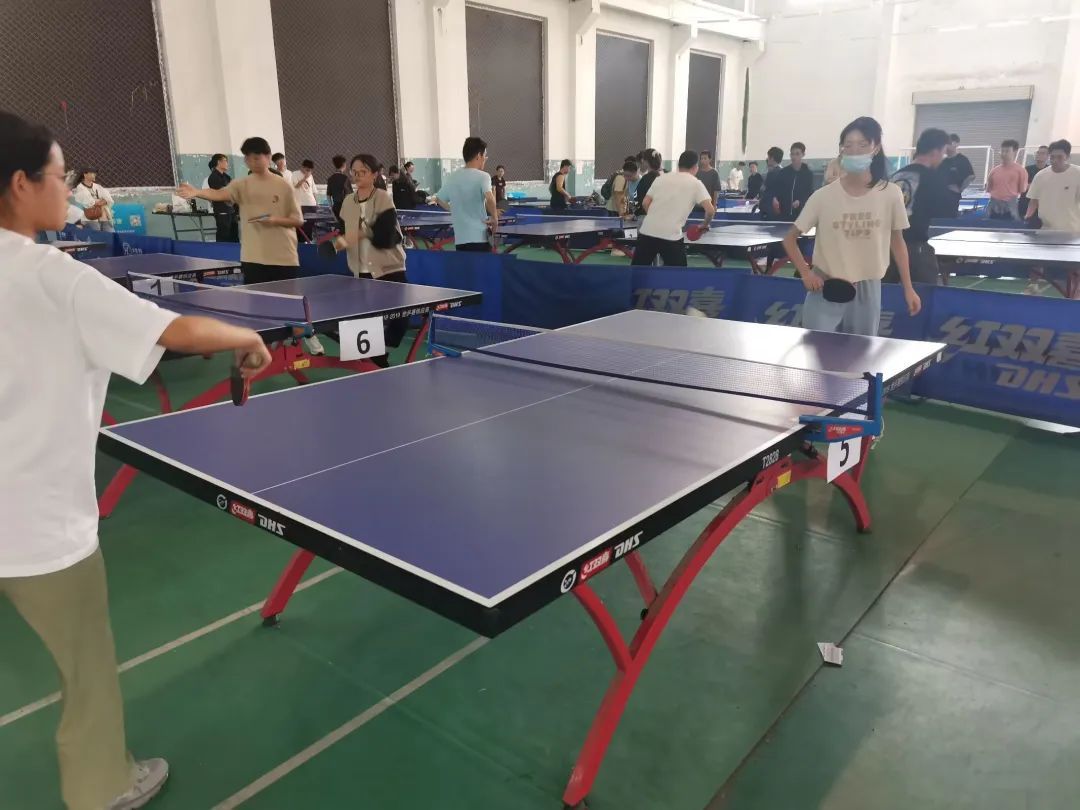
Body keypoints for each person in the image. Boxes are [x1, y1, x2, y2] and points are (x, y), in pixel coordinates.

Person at [0, 110, 273, 810]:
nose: (68, 189)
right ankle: (104, 788)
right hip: (37, 527)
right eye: (59, 175)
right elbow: (174, 331)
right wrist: (245, 336)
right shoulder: (53, 277)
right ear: (20, 184)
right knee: (86, 671)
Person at [180, 137, 322, 353]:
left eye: (257, 157)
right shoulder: (242, 184)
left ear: (268, 157)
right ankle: (264, 344)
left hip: (283, 256)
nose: (252, 162)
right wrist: (196, 192)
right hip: (253, 257)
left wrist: (275, 220)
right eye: (248, 158)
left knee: (291, 305)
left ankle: (309, 336)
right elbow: (219, 193)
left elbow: (297, 220)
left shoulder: (283, 185)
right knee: (258, 307)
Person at [782, 117, 920, 336]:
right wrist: (806, 274)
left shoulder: (891, 194)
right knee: (816, 353)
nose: (855, 150)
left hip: (868, 290)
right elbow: (790, 238)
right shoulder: (822, 197)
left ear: (876, 148)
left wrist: (908, 288)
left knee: (861, 354)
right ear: (841, 150)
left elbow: (897, 243)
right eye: (848, 145)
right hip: (826, 288)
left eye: (863, 144)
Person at [328, 154, 409, 367]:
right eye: (354, 172)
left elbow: (386, 236)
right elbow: (344, 231)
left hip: (389, 267)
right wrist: (340, 242)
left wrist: (361, 233)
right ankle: (377, 360)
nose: (357, 176)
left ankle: (380, 348)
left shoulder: (383, 197)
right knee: (367, 321)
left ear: (374, 174)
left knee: (401, 317)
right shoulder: (347, 202)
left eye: (363, 172)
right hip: (360, 269)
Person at [886, 127, 953, 285]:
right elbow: (946, 211)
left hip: (887, 247)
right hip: (915, 250)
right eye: (943, 153)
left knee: (885, 294)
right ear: (935, 152)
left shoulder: (895, 176)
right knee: (923, 296)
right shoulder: (933, 178)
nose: (943, 158)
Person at [631, 150, 716, 267]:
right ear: (695, 167)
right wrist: (704, 225)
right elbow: (710, 210)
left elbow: (645, 203)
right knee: (678, 275)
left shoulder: (660, 178)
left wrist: (656, 218)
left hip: (647, 231)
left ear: (678, 165)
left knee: (637, 272)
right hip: (671, 236)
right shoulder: (696, 184)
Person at [434, 136, 499, 252]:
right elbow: (490, 198)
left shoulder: (453, 177)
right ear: (478, 156)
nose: (485, 159)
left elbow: (439, 199)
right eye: (484, 156)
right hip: (480, 238)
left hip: (461, 240)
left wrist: (454, 209)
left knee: (464, 264)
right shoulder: (483, 176)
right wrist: (494, 218)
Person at [1026, 139, 1080, 231]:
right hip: (1047, 229)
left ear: (1067, 157)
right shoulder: (1040, 176)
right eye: (1052, 157)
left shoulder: (1077, 173)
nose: (1055, 160)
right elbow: (1034, 200)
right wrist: (1027, 216)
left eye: (1060, 157)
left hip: (1072, 230)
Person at [986, 139, 1027, 221]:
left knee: (1009, 227)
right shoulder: (994, 170)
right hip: (994, 206)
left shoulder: (1021, 171)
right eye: (1002, 151)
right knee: (991, 227)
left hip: (1010, 206)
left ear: (1015, 152)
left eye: (1007, 151)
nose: (1004, 154)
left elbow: (1022, 189)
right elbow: (988, 188)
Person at [773, 143, 814, 221]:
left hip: (801, 216)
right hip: (783, 215)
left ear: (803, 154)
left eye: (797, 154)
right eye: (792, 154)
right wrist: (774, 198)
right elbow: (776, 190)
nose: (794, 157)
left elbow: (809, 193)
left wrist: (800, 201)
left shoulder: (808, 174)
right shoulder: (783, 173)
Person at [939, 134, 975, 217]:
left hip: (952, 198)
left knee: (950, 218)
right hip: (940, 197)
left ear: (955, 144)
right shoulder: (943, 162)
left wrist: (960, 189)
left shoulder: (962, 160)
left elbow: (971, 176)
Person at [70, 167, 114, 232]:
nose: (94, 175)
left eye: (94, 173)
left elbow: (109, 199)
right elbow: (89, 203)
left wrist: (98, 202)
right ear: (85, 174)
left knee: (111, 235)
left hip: (104, 217)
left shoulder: (97, 186)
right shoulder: (79, 188)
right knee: (97, 236)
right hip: (90, 219)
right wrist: (101, 201)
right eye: (92, 173)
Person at [206, 154, 237, 242]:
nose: (227, 163)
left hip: (231, 211)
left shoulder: (226, 177)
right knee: (224, 237)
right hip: (222, 211)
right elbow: (221, 194)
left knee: (234, 237)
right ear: (219, 162)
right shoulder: (213, 177)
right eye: (225, 161)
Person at [1019, 144, 1049, 219]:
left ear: (1048, 156)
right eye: (1038, 152)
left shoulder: (1049, 171)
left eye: (1042, 153)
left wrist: (1032, 186)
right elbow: (1022, 187)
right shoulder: (1027, 169)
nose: (1039, 155)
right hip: (1025, 203)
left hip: (1041, 206)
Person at [633, 150, 663, 215]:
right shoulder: (664, 176)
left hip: (646, 215)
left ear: (645, 162)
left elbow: (640, 200)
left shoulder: (646, 179)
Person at [759, 146, 785, 217]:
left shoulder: (772, 173)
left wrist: (761, 204)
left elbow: (767, 193)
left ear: (772, 158)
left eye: (768, 157)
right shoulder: (784, 172)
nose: (767, 159)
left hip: (770, 210)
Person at [326, 154, 352, 222]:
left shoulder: (330, 179)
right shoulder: (345, 178)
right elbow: (348, 195)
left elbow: (328, 195)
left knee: (337, 225)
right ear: (344, 165)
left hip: (335, 207)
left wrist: (331, 207)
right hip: (344, 207)